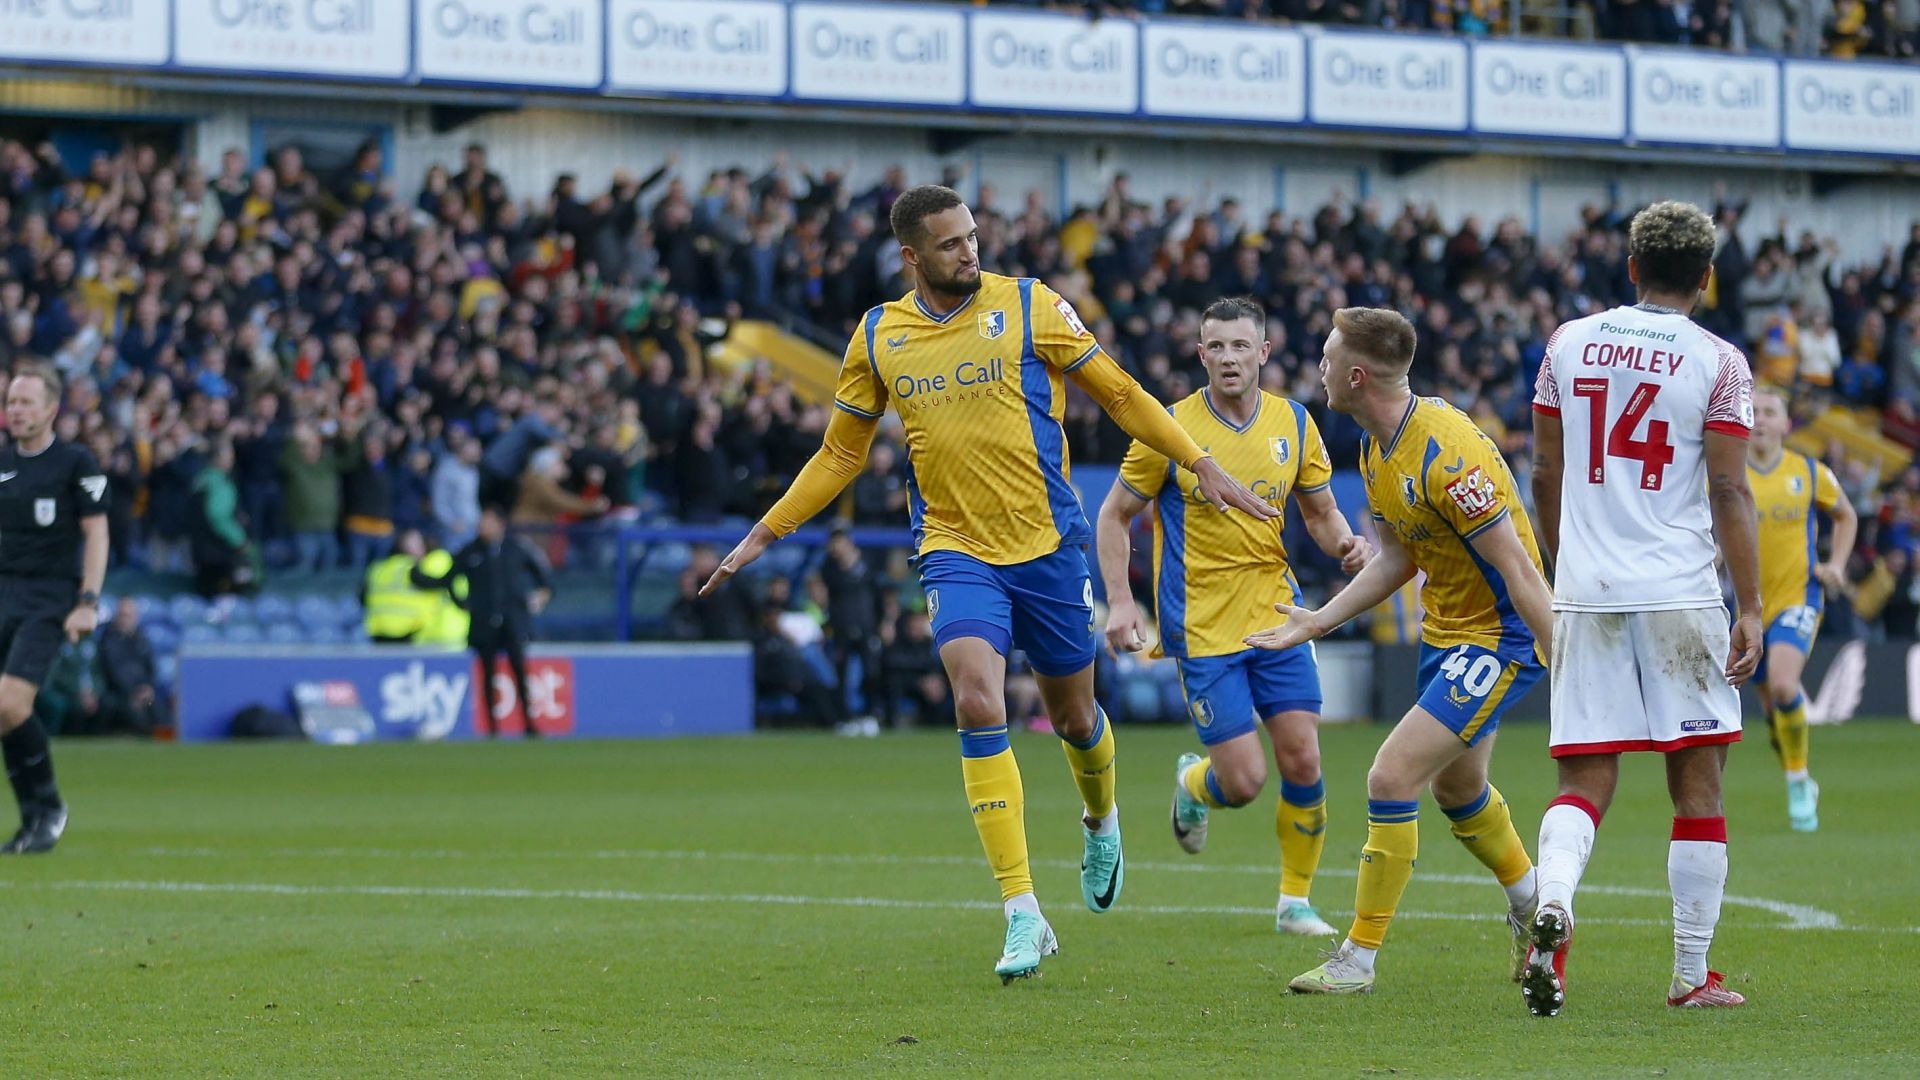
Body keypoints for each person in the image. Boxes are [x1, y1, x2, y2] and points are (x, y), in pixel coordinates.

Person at [699, 184, 1275, 982]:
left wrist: (1198, 461)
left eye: (973, 237)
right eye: (951, 244)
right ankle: (1021, 911)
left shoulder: (1033, 305)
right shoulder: (878, 335)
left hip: (1047, 546)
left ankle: (1100, 816)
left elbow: (1119, 394)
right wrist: (765, 533)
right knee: (978, 698)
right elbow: (840, 454)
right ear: (911, 257)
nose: (970, 251)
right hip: (954, 547)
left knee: (1076, 719)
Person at [1244, 308, 1553, 995]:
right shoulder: (1373, 445)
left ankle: (1358, 958)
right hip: (1444, 632)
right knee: (1459, 788)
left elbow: (1521, 571)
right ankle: (1535, 908)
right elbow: (1395, 561)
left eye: (1326, 358)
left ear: (1355, 375)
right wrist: (1319, 621)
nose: (1317, 368)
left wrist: (1569, 664)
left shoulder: (1448, 454)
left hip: (1499, 635)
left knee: (1390, 778)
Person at [1524, 200, 1762, 1015]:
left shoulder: (1569, 343)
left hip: (1587, 592)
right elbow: (1729, 486)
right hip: (1680, 591)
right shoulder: (1719, 362)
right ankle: (1691, 973)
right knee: (1698, 782)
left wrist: (1568, 568)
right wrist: (1754, 605)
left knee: (1583, 777)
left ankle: (1552, 904)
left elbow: (1545, 475)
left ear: (1630, 268)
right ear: (1706, 277)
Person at [1095, 297, 1372, 938]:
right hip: (1202, 628)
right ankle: (1195, 783)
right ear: (1200, 354)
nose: (1228, 358)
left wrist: (1346, 546)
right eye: (1215, 346)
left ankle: (1294, 902)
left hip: (1279, 616)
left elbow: (1322, 511)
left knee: (1303, 760)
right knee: (1244, 781)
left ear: (1264, 353)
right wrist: (1117, 601)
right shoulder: (1168, 429)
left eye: (1240, 346)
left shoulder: (1294, 423)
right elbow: (1113, 515)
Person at [0, 362, 110, 853]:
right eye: (10, 402)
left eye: (25, 402)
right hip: (4, 593)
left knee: (8, 703)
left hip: (48, 599)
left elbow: (97, 533)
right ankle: (35, 818)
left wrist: (87, 601)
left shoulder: (74, 462)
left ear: (51, 409)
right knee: (3, 712)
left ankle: (48, 807)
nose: (15, 411)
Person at [1744, 388, 1857, 832]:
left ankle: (1796, 783)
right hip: (1747, 606)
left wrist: (1837, 566)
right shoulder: (1727, 476)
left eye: (1770, 412)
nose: (1760, 419)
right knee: (1773, 711)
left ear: (1785, 425)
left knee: (1786, 686)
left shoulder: (1810, 473)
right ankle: (1798, 773)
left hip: (1798, 597)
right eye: (1752, 411)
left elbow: (1845, 515)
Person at [418, 506, 551, 738]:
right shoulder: (470, 552)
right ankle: (492, 728)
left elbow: (543, 578)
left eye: (487, 521)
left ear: (500, 524)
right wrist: (461, 603)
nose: (482, 526)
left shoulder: (515, 549)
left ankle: (529, 724)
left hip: (512, 621)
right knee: (487, 674)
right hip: (483, 623)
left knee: (519, 670)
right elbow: (448, 579)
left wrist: (541, 594)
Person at [95, 597, 163, 735]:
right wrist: (133, 692)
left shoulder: (142, 639)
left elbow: (151, 668)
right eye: (122, 615)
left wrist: (147, 687)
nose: (125, 619)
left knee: (159, 710)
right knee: (134, 713)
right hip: (118, 693)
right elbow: (114, 672)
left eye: (129, 615)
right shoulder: (108, 640)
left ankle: (166, 744)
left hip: (142, 691)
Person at [362, 529, 436, 645]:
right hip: (406, 631)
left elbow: (362, 597)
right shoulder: (412, 568)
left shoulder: (377, 568)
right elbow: (437, 586)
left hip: (377, 630)